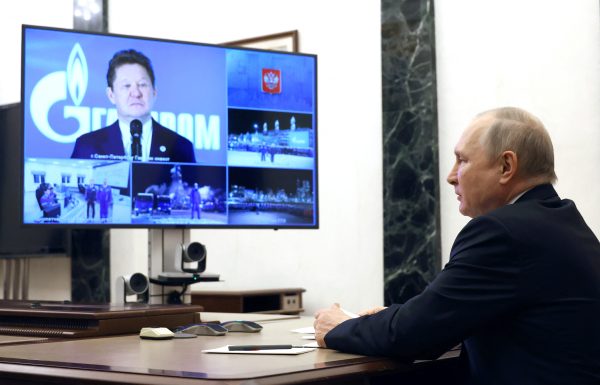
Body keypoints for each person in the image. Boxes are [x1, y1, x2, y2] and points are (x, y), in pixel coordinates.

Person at [314, 107, 600, 385]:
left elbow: (413, 335)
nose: (451, 176)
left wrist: (338, 326)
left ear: (506, 166)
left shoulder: (502, 232)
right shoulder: (563, 222)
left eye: (462, 161)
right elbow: (443, 313)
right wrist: (392, 318)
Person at [70, 49, 196, 163]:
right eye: (126, 86)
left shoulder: (181, 147)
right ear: (111, 95)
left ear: (154, 92)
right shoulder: (87, 145)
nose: (136, 93)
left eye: (142, 84)